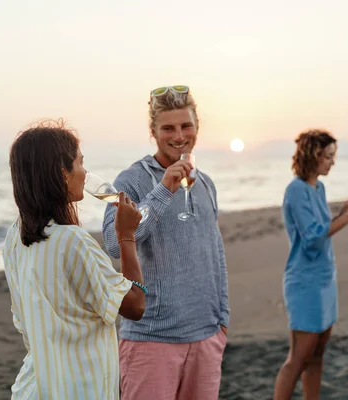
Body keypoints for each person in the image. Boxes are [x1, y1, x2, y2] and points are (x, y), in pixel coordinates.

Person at [3, 120, 147, 399]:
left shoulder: (15, 235)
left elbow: (23, 320)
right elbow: (135, 305)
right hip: (79, 387)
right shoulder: (73, 242)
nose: (85, 172)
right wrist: (126, 236)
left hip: (35, 386)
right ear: (63, 173)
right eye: (80, 163)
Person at [102, 86, 229, 400]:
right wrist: (164, 189)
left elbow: (215, 253)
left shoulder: (207, 184)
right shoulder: (130, 180)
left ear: (197, 127)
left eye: (186, 126)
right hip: (151, 340)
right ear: (153, 132)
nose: (179, 136)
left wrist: (222, 318)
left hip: (207, 337)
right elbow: (114, 244)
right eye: (168, 128)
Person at [273, 129, 348, 400]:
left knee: (317, 355)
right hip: (305, 282)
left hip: (325, 278)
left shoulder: (319, 187)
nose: (332, 162)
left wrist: (343, 212)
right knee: (300, 357)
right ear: (313, 156)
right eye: (328, 156)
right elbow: (313, 238)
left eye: (333, 156)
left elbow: (321, 227)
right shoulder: (296, 190)